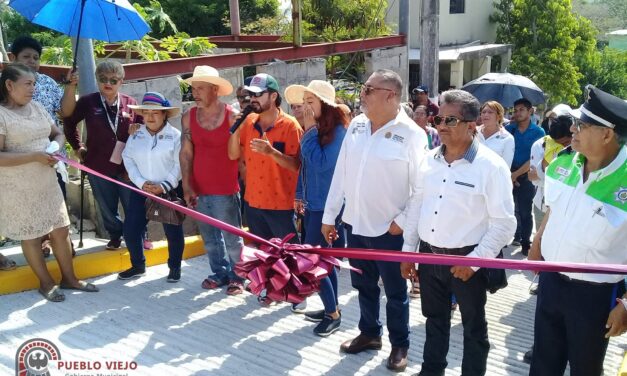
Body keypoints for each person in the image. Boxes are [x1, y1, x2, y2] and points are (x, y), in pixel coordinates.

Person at [400, 90, 516, 376]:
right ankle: (431, 371)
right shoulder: (429, 160)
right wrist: (408, 252)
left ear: (471, 124)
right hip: (429, 257)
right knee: (434, 321)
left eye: (450, 120)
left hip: (468, 261)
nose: (440, 125)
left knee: (474, 327)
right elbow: (416, 206)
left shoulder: (491, 167)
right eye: (438, 118)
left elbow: (505, 224)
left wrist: (474, 261)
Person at [322, 69, 428, 372]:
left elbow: (422, 188)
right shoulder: (356, 125)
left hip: (390, 230)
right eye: (363, 89)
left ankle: (399, 345)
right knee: (363, 285)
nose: (362, 95)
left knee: (395, 293)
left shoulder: (412, 135)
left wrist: (404, 221)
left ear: (390, 96)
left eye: (368, 90)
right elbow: (341, 174)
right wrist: (330, 216)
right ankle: (369, 333)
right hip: (355, 224)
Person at [528, 86, 627, 376]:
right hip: (551, 283)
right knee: (543, 365)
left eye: (582, 125)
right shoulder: (562, 163)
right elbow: (553, 210)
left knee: (585, 369)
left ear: (607, 134)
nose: (572, 128)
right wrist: (537, 244)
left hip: (595, 295)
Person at [0, 63, 99, 301]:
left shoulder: (36, 107)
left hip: (46, 179)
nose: (33, 89)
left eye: (34, 84)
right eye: (28, 84)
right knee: (32, 235)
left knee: (61, 229)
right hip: (18, 185)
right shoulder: (2, 115)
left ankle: (70, 278)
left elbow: (57, 131)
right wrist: (34, 156)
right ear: (9, 85)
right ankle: (45, 283)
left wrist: (55, 145)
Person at [227, 73, 303, 305]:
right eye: (250, 95)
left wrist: (272, 153)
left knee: (288, 253)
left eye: (258, 95)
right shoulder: (248, 123)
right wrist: (236, 128)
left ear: (273, 96)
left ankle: (298, 294)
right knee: (262, 253)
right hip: (254, 201)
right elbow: (232, 154)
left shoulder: (290, 125)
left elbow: (298, 166)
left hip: (280, 202)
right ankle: (269, 291)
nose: (253, 99)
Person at [285, 80, 348, 336]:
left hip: (328, 210)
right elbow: (306, 167)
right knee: (322, 262)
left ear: (325, 105)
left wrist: (309, 130)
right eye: (304, 102)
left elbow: (321, 164)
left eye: (310, 102)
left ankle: (332, 314)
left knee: (313, 263)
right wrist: (300, 194)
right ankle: (331, 308)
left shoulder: (338, 133)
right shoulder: (320, 130)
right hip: (314, 205)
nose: (305, 108)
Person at [9, 35, 79, 257]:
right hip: (20, 159)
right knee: (28, 207)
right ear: (13, 58)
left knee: (57, 203)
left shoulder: (47, 82)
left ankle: (59, 243)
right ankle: (39, 242)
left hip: (51, 158)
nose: (32, 61)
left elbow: (65, 113)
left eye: (36, 57)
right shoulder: (5, 86)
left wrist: (70, 86)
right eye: (26, 57)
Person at [64, 60, 142, 250]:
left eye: (113, 80)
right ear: (97, 79)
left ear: (121, 82)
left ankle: (139, 236)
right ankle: (115, 235)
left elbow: (145, 128)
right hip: (97, 164)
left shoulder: (131, 104)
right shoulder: (88, 101)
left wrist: (138, 129)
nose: (108, 83)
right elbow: (69, 122)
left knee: (133, 205)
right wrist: (77, 147)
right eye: (103, 79)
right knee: (106, 207)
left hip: (127, 166)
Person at [179, 66, 244, 294]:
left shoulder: (230, 115)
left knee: (232, 237)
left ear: (215, 90)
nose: (195, 93)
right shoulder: (188, 117)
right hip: (199, 187)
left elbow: (241, 153)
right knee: (209, 238)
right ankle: (220, 272)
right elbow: (186, 152)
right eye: (194, 89)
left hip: (225, 187)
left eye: (200, 89)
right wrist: (186, 184)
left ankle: (239, 275)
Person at [117, 92, 184, 281]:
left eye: (155, 113)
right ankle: (138, 266)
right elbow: (127, 158)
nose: (150, 117)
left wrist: (164, 185)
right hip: (142, 190)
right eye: (146, 113)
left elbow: (179, 164)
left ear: (164, 114)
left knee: (173, 232)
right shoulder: (136, 134)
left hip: (168, 191)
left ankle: (175, 268)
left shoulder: (175, 136)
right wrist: (140, 183)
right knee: (131, 229)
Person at [505, 98, 545, 255]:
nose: (517, 113)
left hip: (527, 175)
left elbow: (535, 158)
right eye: (515, 110)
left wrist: (516, 174)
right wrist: (510, 174)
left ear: (530, 111)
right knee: (508, 208)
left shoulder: (538, 132)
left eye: (521, 109)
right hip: (508, 173)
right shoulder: (509, 129)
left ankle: (526, 242)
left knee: (525, 210)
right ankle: (513, 235)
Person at [476, 101, 515, 168]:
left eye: (490, 112)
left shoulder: (507, 138)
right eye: (483, 112)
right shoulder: (474, 132)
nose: (486, 114)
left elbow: (506, 167)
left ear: (499, 116)